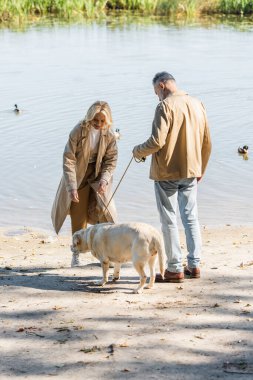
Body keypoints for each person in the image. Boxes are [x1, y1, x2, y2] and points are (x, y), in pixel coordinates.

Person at [133, 72, 212, 283]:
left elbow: (156, 142)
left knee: (168, 220)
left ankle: (174, 268)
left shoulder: (164, 106)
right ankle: (194, 265)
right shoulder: (197, 103)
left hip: (167, 172)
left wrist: (137, 151)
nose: (156, 97)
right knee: (191, 217)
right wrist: (201, 167)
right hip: (191, 171)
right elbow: (207, 141)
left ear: (162, 85)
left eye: (155, 92)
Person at [51, 101, 118, 265]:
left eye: (102, 121)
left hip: (98, 177)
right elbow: (69, 159)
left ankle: (106, 253)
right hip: (78, 177)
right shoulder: (78, 130)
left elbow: (111, 160)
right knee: (78, 216)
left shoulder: (108, 134)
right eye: (96, 120)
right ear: (89, 117)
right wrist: (71, 186)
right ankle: (76, 254)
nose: (99, 124)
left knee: (106, 215)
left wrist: (104, 179)